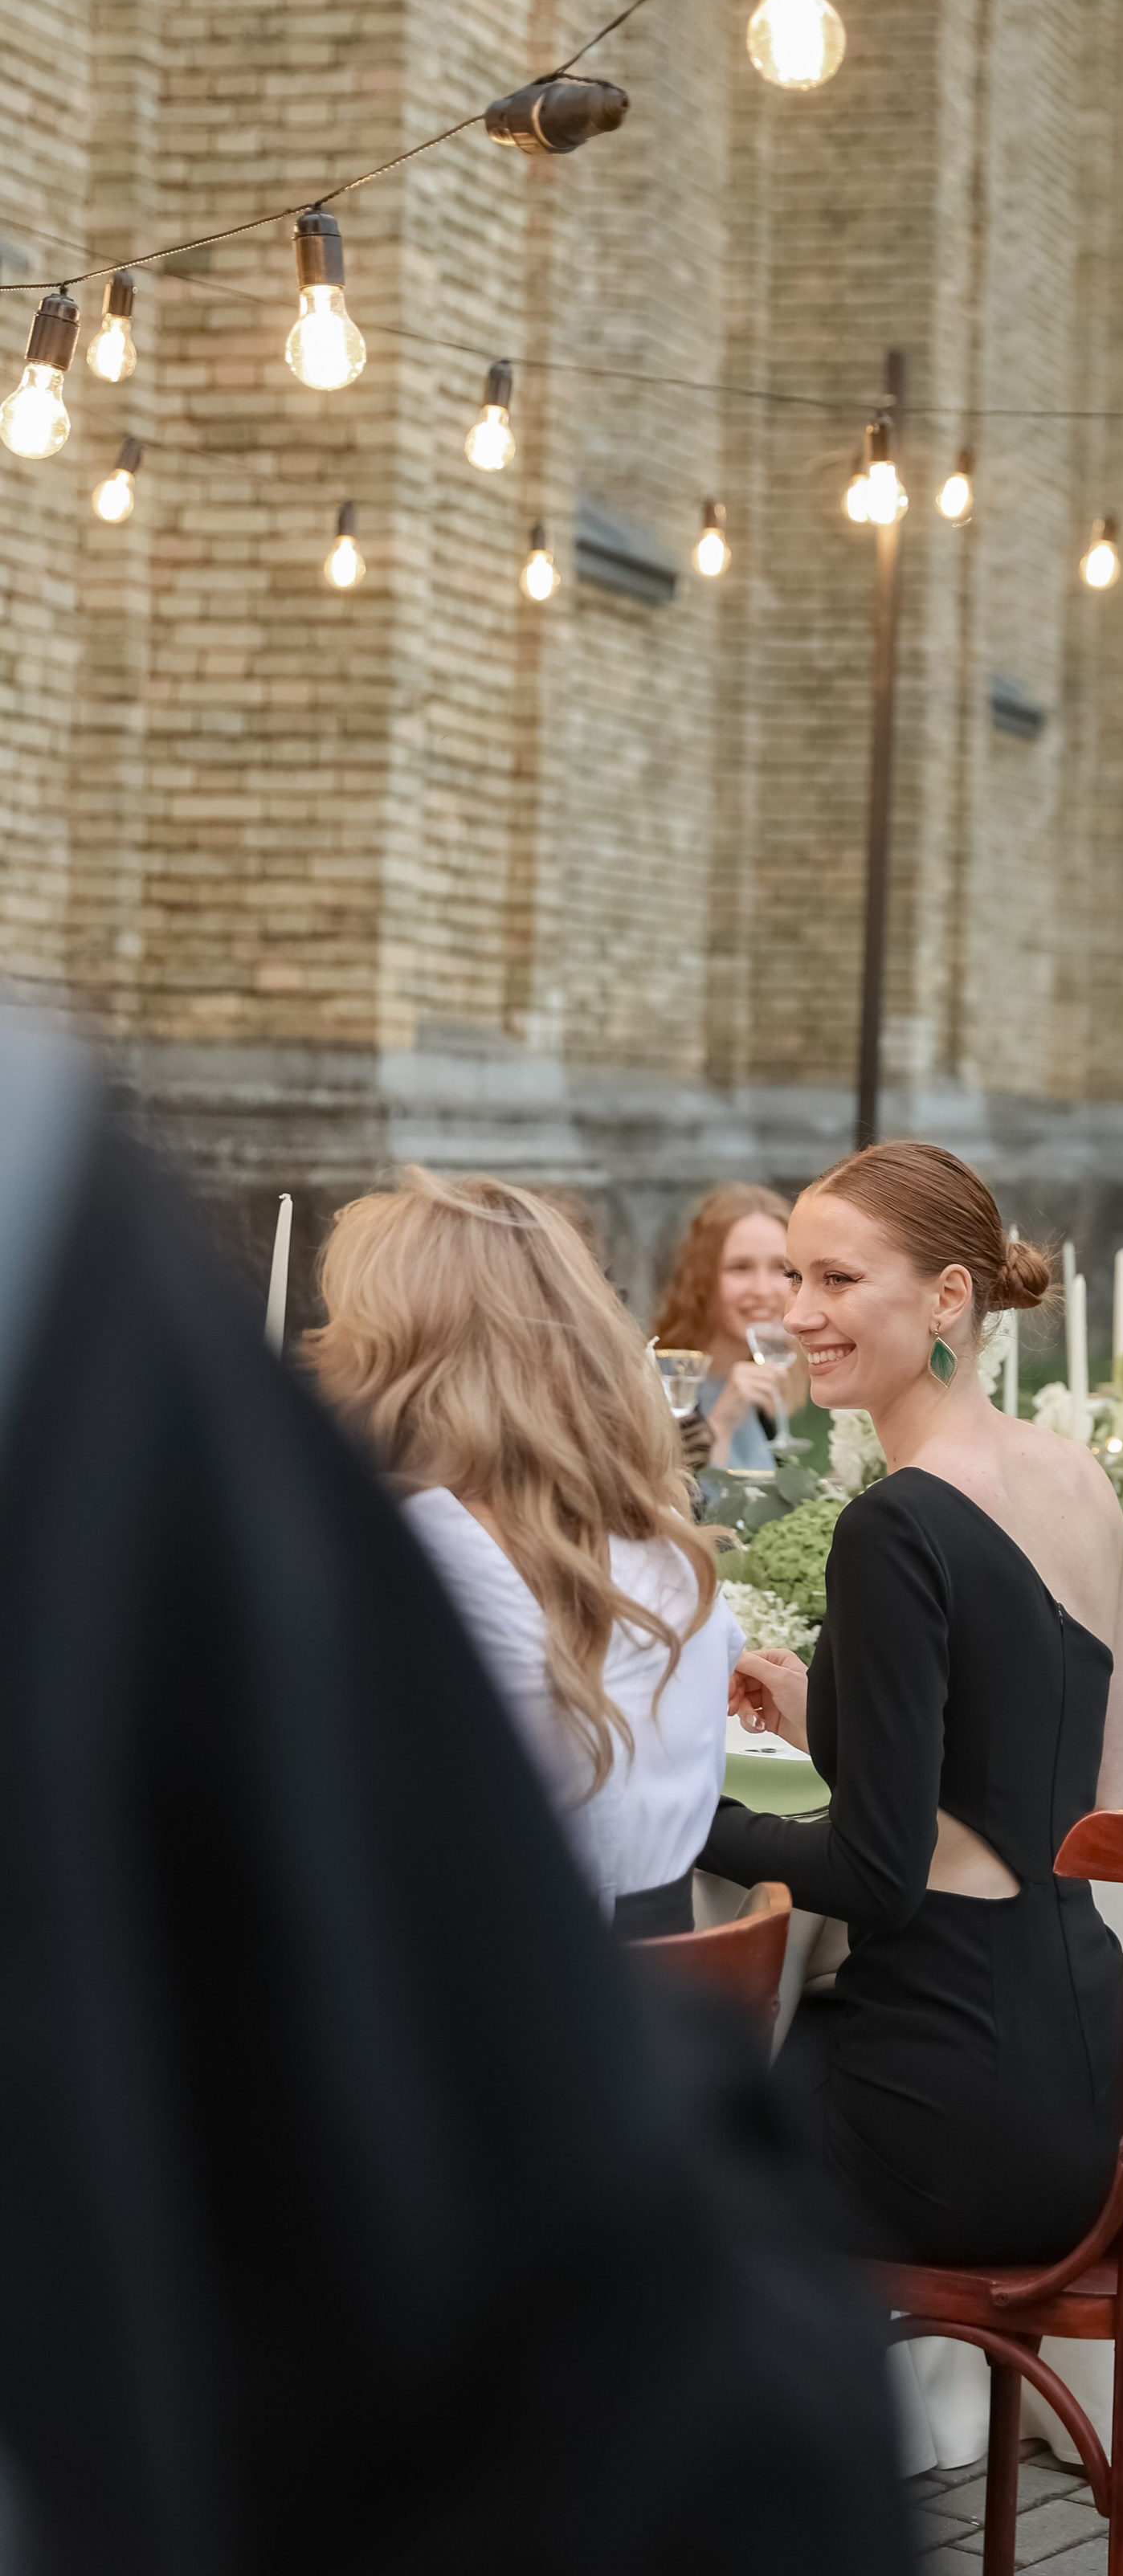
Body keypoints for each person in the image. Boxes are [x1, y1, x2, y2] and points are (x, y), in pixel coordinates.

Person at [0, 1018, 909, 2575]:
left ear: (405, 1343)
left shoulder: (415, 1564)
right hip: (656, 2040)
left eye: (347, 1324)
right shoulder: (665, 1559)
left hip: (442, 2128)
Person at [697, 1140, 1123, 2268]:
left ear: (950, 1296)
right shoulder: (1075, 1475)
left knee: (651, 2161)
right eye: (795, 1278)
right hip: (1113, 2096)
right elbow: (1090, 1806)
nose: (799, 1314)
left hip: (950, 2114)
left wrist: (680, 1810)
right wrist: (828, 1719)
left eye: (838, 1281)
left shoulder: (895, 1524)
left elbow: (877, 1878)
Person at [308, 1168, 741, 1935]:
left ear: (396, 1348)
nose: (324, 1345)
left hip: (502, 2003)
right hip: (673, 1990)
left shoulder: (426, 1550)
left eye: (343, 1322)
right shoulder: (663, 1533)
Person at [653, 1180, 801, 1468]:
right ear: (700, 1281)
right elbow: (685, 1506)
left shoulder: (776, 1387)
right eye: (740, 1268)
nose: (763, 1290)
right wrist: (722, 1420)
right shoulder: (662, 1389)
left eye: (780, 1269)